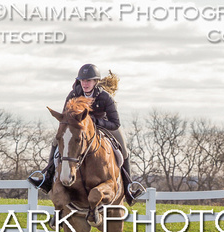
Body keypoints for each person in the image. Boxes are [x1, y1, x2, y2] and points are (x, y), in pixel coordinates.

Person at [29, 63, 144, 205]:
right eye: (83, 80)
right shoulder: (74, 94)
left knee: (124, 149)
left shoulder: (105, 97)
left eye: (88, 80)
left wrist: (95, 121)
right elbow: (66, 117)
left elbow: (115, 123)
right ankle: (47, 178)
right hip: (78, 128)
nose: (85, 83)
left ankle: (129, 188)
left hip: (105, 126)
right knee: (55, 142)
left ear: (95, 81)